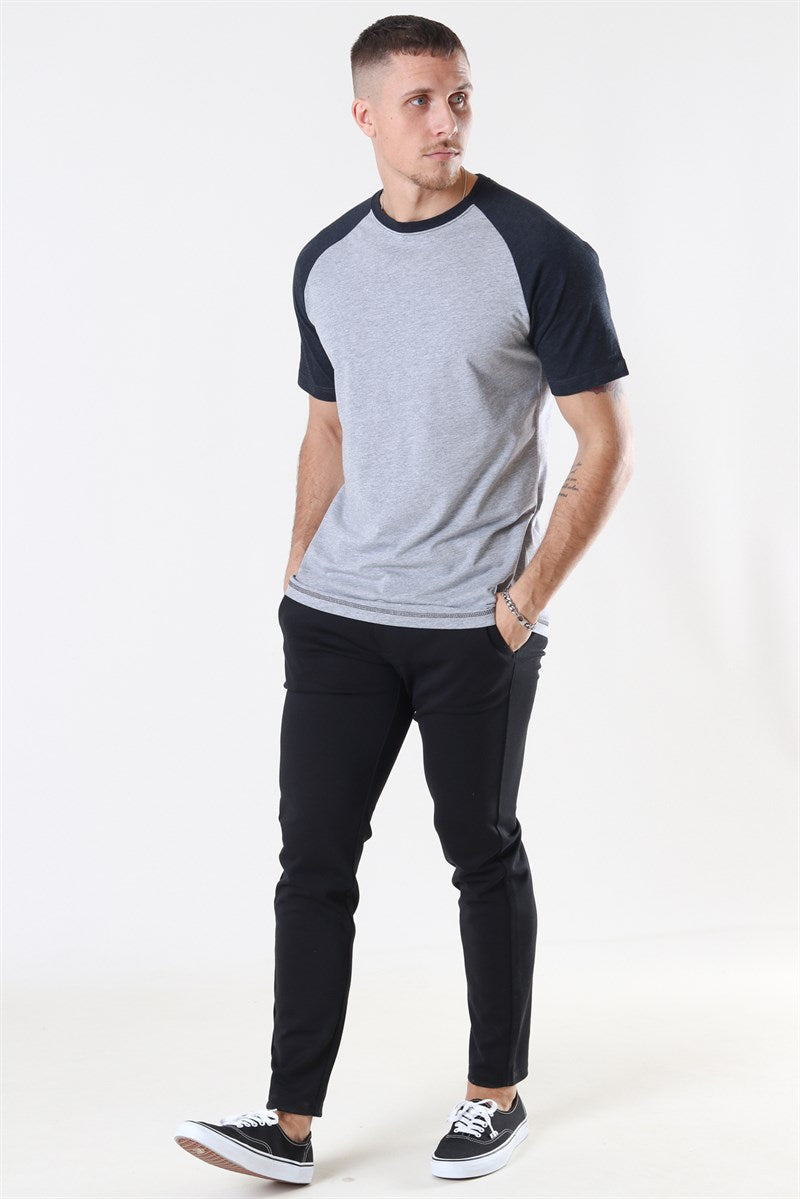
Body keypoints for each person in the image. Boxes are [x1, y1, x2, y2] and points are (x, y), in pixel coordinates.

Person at [175, 12, 634, 1186]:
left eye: (459, 97)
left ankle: (493, 1094)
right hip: (338, 617)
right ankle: (286, 1124)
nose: (445, 121)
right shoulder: (326, 260)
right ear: (365, 115)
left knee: (480, 849)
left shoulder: (538, 249)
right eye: (420, 100)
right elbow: (326, 426)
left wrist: (523, 599)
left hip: (471, 623)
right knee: (311, 865)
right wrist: (298, 569)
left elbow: (603, 442)